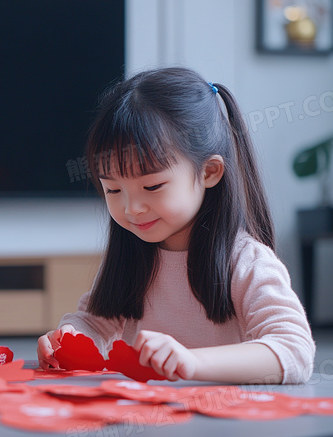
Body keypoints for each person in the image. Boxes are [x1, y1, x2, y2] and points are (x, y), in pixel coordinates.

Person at [37, 67, 314, 384]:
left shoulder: (248, 263)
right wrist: (69, 337)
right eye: (113, 189)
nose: (131, 208)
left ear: (209, 172)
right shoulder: (132, 257)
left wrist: (192, 362)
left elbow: (295, 352)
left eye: (152, 187)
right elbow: (96, 323)